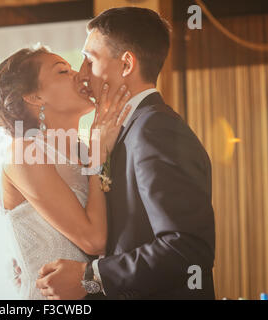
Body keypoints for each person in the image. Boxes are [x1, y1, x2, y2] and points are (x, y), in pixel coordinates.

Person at [35, 7, 216, 300]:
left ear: (127, 64)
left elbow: (188, 248)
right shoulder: (128, 130)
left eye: (89, 60)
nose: (81, 74)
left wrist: (89, 277)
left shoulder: (154, 128)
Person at [0, 45, 132, 299]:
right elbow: (95, 240)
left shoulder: (87, 150)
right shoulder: (24, 152)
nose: (78, 74)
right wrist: (98, 159)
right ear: (34, 96)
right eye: (63, 71)